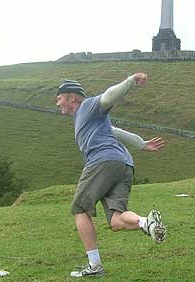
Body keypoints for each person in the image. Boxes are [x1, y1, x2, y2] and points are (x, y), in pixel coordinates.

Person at [55, 73, 167, 278]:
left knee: (80, 209)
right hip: (124, 166)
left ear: (72, 97)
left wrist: (130, 82)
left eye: (60, 97)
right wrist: (141, 144)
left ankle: (94, 265)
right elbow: (117, 132)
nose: (57, 102)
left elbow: (108, 96)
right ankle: (146, 222)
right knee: (116, 221)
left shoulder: (87, 106)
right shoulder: (88, 120)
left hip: (102, 161)